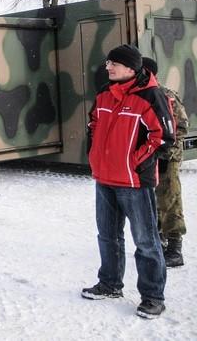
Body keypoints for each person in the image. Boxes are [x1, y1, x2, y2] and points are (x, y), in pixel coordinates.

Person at [81, 44, 174, 319]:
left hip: (134, 182)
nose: (107, 67)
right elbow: (94, 124)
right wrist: (95, 156)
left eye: (113, 63)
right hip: (104, 178)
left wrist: (135, 162)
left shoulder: (151, 96)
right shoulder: (104, 93)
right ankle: (110, 284)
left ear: (130, 68)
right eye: (108, 62)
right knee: (107, 236)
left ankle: (153, 297)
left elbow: (164, 138)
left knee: (146, 241)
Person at [142, 57, 188, 268]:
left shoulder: (165, 95)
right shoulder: (142, 95)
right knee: (153, 200)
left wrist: (165, 151)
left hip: (167, 158)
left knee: (170, 201)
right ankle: (159, 239)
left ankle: (175, 250)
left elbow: (181, 127)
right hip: (150, 157)